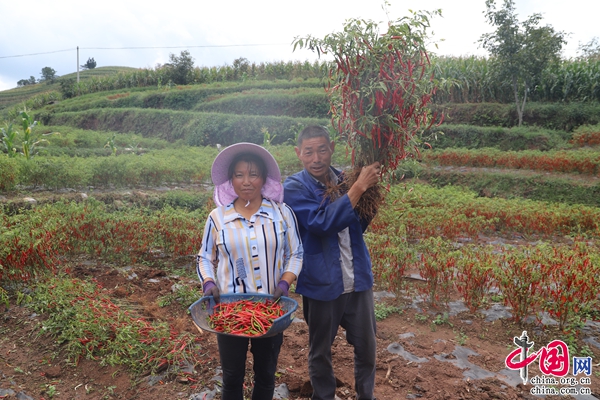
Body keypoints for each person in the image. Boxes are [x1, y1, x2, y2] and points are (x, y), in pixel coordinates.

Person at [196, 142, 303, 400]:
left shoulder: (281, 213)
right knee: (232, 377)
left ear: (263, 179)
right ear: (230, 179)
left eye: (253, 174)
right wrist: (209, 283)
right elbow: (204, 258)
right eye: (239, 174)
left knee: (266, 377)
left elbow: (295, 254)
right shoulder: (218, 217)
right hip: (231, 311)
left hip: (271, 310)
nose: (246, 181)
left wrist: (285, 283)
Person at [283, 125, 381, 400]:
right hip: (321, 281)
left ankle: (366, 396)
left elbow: (358, 223)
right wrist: (360, 187)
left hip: (357, 278)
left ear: (332, 148)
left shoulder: (345, 179)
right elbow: (320, 222)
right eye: (309, 152)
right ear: (298, 153)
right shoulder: (293, 187)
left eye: (322, 150)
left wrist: (368, 192)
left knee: (367, 347)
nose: (317, 158)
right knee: (321, 350)